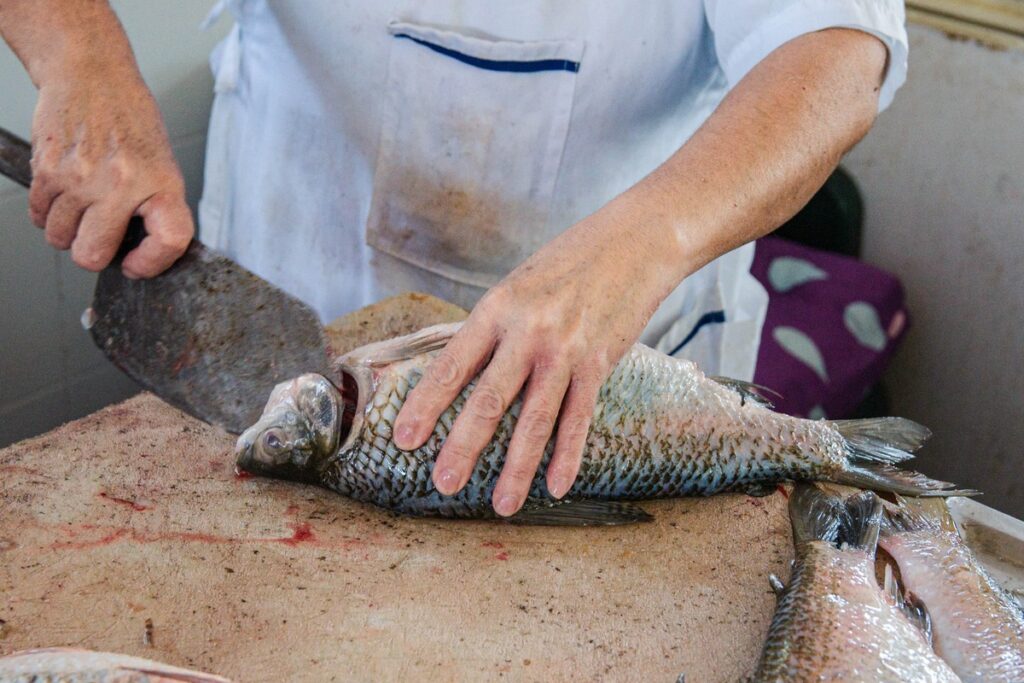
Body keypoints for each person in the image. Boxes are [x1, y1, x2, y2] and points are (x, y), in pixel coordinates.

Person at [0, 1, 907, 517]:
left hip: (627, 327)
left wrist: (644, 241)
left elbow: (835, 56)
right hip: (286, 283)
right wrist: (79, 51)